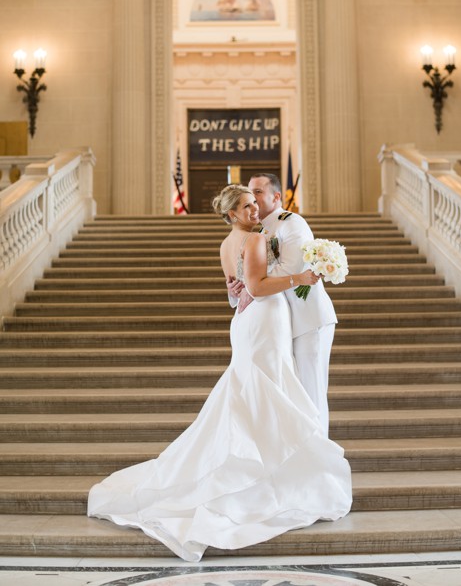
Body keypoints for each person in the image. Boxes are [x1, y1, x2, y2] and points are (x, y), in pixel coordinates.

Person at [88, 185, 352, 561]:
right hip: (265, 318)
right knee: (266, 389)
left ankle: (257, 465)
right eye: (247, 207)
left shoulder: (227, 243)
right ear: (232, 214)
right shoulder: (256, 240)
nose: (255, 211)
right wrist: (302, 279)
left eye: (255, 205)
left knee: (254, 390)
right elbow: (258, 288)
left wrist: (244, 289)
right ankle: (266, 477)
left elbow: (237, 290)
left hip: (244, 321)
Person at [226, 173, 337, 435]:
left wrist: (253, 288)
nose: (253, 199)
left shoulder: (292, 222)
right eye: (249, 194)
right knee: (294, 393)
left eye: (258, 192)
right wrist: (236, 290)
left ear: (277, 197)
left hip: (308, 318)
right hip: (279, 321)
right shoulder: (258, 231)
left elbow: (293, 266)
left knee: (311, 392)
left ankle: (320, 459)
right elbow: (248, 276)